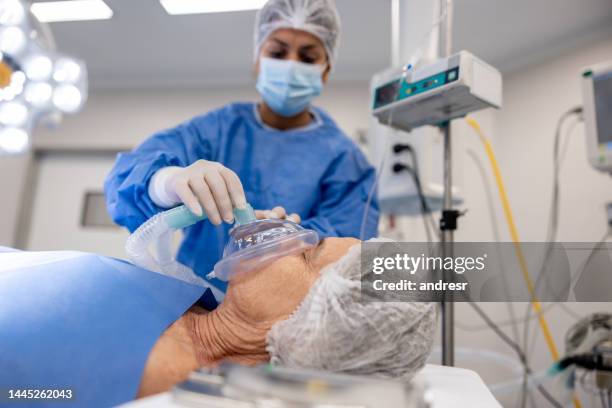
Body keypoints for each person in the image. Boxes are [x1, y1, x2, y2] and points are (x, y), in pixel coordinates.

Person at [103, 0, 380, 305]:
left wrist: (290, 238)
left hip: (285, 318)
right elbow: (126, 178)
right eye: (277, 53)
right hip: (194, 304)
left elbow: (350, 243)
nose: (290, 64)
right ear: (257, 62)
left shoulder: (343, 158)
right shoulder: (218, 130)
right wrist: (166, 182)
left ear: (326, 70)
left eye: (308, 56)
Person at [0, 239, 436, 406]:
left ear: (311, 324)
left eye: (307, 252)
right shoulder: (193, 300)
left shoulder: (133, 378)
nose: (292, 234)